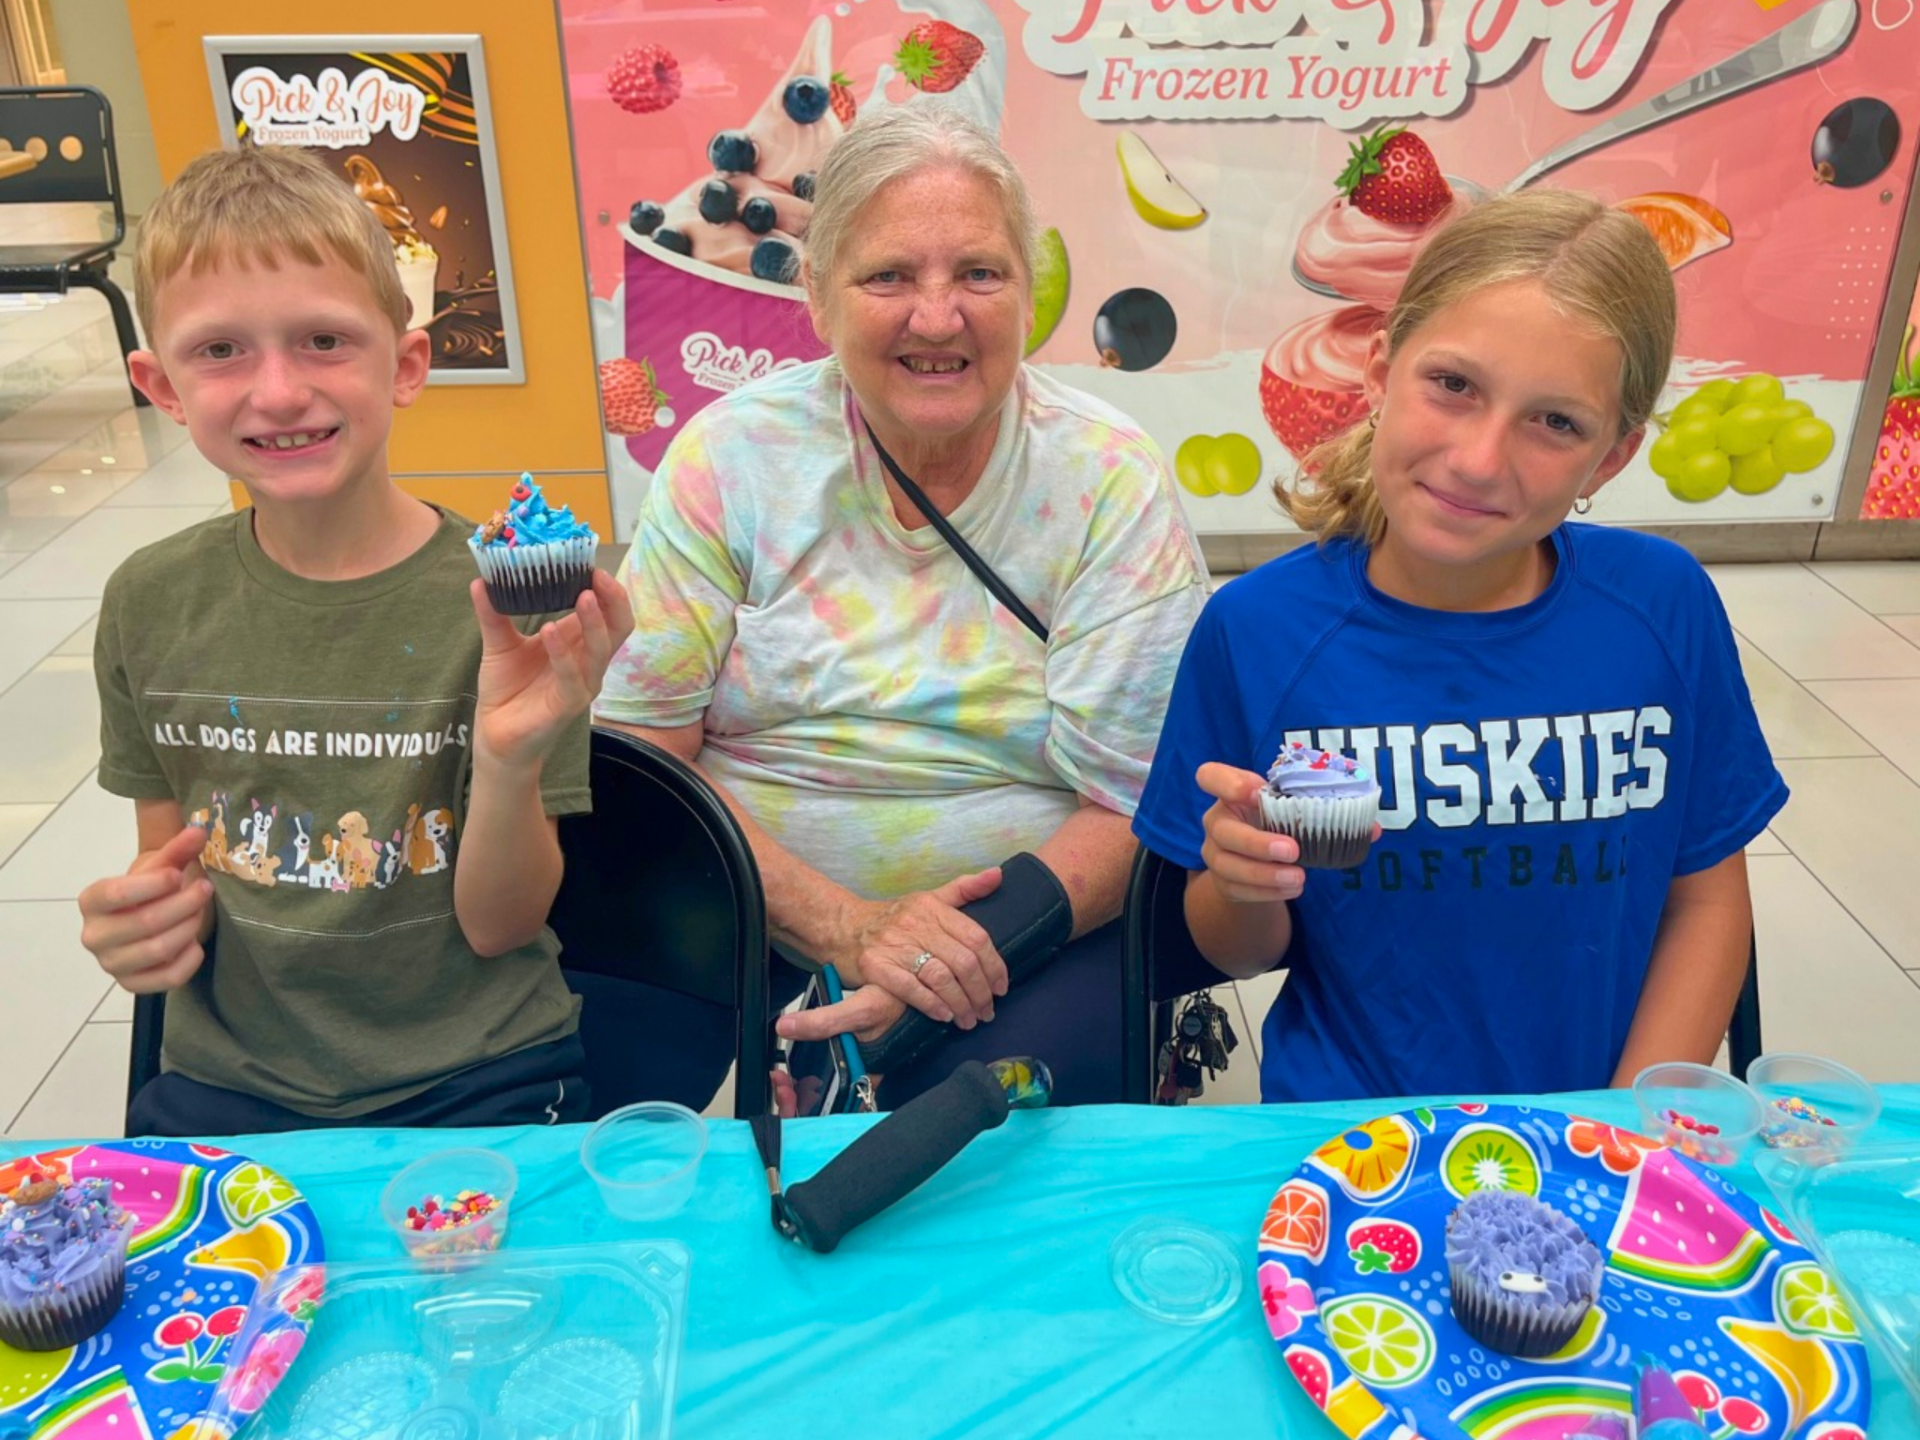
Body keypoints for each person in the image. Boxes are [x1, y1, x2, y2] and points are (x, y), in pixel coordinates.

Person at [595, 100, 1209, 1107]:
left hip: (1030, 934)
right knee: (663, 1126)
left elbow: (1135, 801)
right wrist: (849, 929)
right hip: (742, 910)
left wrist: (941, 963)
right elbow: (644, 756)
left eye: (980, 274)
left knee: (1007, 1123)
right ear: (817, 296)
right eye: (887, 276)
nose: (937, 317)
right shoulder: (732, 459)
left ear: (1027, 291)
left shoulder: (1106, 478)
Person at [1134, 189, 1787, 1104]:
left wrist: (1627, 1122)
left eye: (1556, 422)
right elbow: (1234, 952)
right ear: (1380, 372)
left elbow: (1706, 901)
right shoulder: (1258, 632)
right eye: (1453, 385)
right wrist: (1242, 884)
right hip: (1352, 1131)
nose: (1480, 460)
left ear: (1610, 457)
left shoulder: (1662, 608)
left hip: (1601, 1122)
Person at [78, 145, 634, 1135]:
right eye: (220, 350)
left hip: (481, 1076)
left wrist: (509, 759)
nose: (278, 391)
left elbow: (502, 927)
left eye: (324, 340)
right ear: (161, 387)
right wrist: (142, 926)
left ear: (406, 365)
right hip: (230, 1081)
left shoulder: (506, 603)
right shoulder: (146, 603)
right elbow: (172, 863)